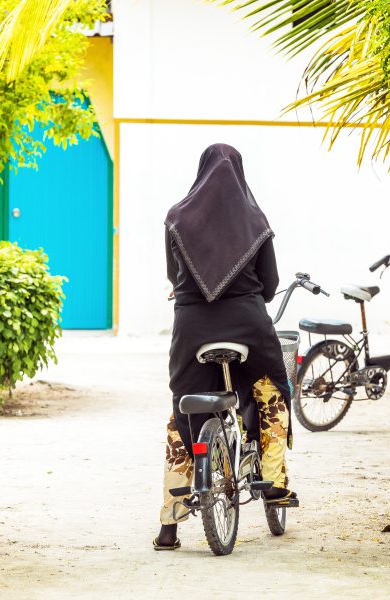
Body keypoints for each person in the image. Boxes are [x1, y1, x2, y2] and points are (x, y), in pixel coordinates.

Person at [153, 143, 295, 551]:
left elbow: (172, 275)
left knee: (183, 410)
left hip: (192, 327)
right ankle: (275, 482)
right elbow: (269, 285)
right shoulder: (255, 221)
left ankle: (169, 525)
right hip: (248, 326)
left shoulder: (176, 218)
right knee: (270, 392)